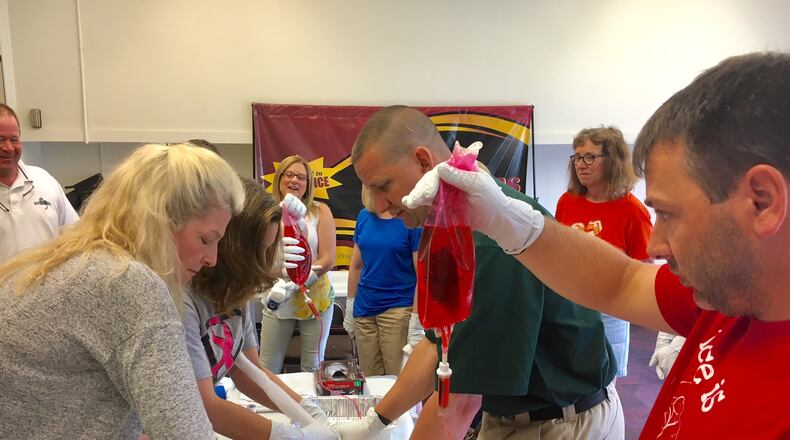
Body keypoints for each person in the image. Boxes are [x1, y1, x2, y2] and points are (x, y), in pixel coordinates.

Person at [402, 52, 790, 438]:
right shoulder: (731, 296)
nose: (656, 243)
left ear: (762, 201)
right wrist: (513, 222)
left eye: (670, 214)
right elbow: (621, 280)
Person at [334, 105, 623, 439]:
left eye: (383, 186)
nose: (380, 204)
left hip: (561, 421)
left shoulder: (484, 240)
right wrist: (376, 421)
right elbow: (438, 347)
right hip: (515, 414)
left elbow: (460, 400)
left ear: (424, 161)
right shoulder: (445, 224)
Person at [0, 143, 243, 439]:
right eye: (206, 239)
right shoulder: (127, 282)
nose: (212, 259)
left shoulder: (72, 262)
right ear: (159, 222)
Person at [185, 178, 336, 440]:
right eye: (260, 252)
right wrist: (289, 436)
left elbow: (248, 370)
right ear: (230, 245)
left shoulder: (235, 291)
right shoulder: (185, 301)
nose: (263, 266)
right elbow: (203, 405)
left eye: (269, 251)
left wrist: (306, 411)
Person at [555, 126, 653, 378]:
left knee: (605, 380)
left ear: (612, 161)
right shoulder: (567, 202)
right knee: (569, 372)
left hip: (610, 311)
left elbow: (645, 267)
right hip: (570, 306)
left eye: (590, 157)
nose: (581, 164)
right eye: (577, 157)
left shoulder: (632, 211)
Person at [259, 155, 337, 373]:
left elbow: (328, 258)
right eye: (289, 174)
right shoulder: (265, 214)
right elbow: (258, 260)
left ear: (308, 184)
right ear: (279, 178)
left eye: (301, 177)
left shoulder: (320, 212)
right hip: (277, 297)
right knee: (268, 365)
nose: (294, 180)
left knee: (313, 367)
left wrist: (303, 277)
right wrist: (280, 276)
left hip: (315, 298)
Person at [344, 185, 423, 377]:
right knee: (369, 379)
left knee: (398, 379)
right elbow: (356, 266)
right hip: (363, 311)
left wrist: (416, 318)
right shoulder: (364, 216)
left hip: (397, 310)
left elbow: (422, 274)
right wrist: (350, 304)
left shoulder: (409, 220)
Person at [0, 103, 79, 263]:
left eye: (14, 139)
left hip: (50, 286)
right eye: (0, 139)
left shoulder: (44, 180)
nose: (8, 147)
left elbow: (76, 235)